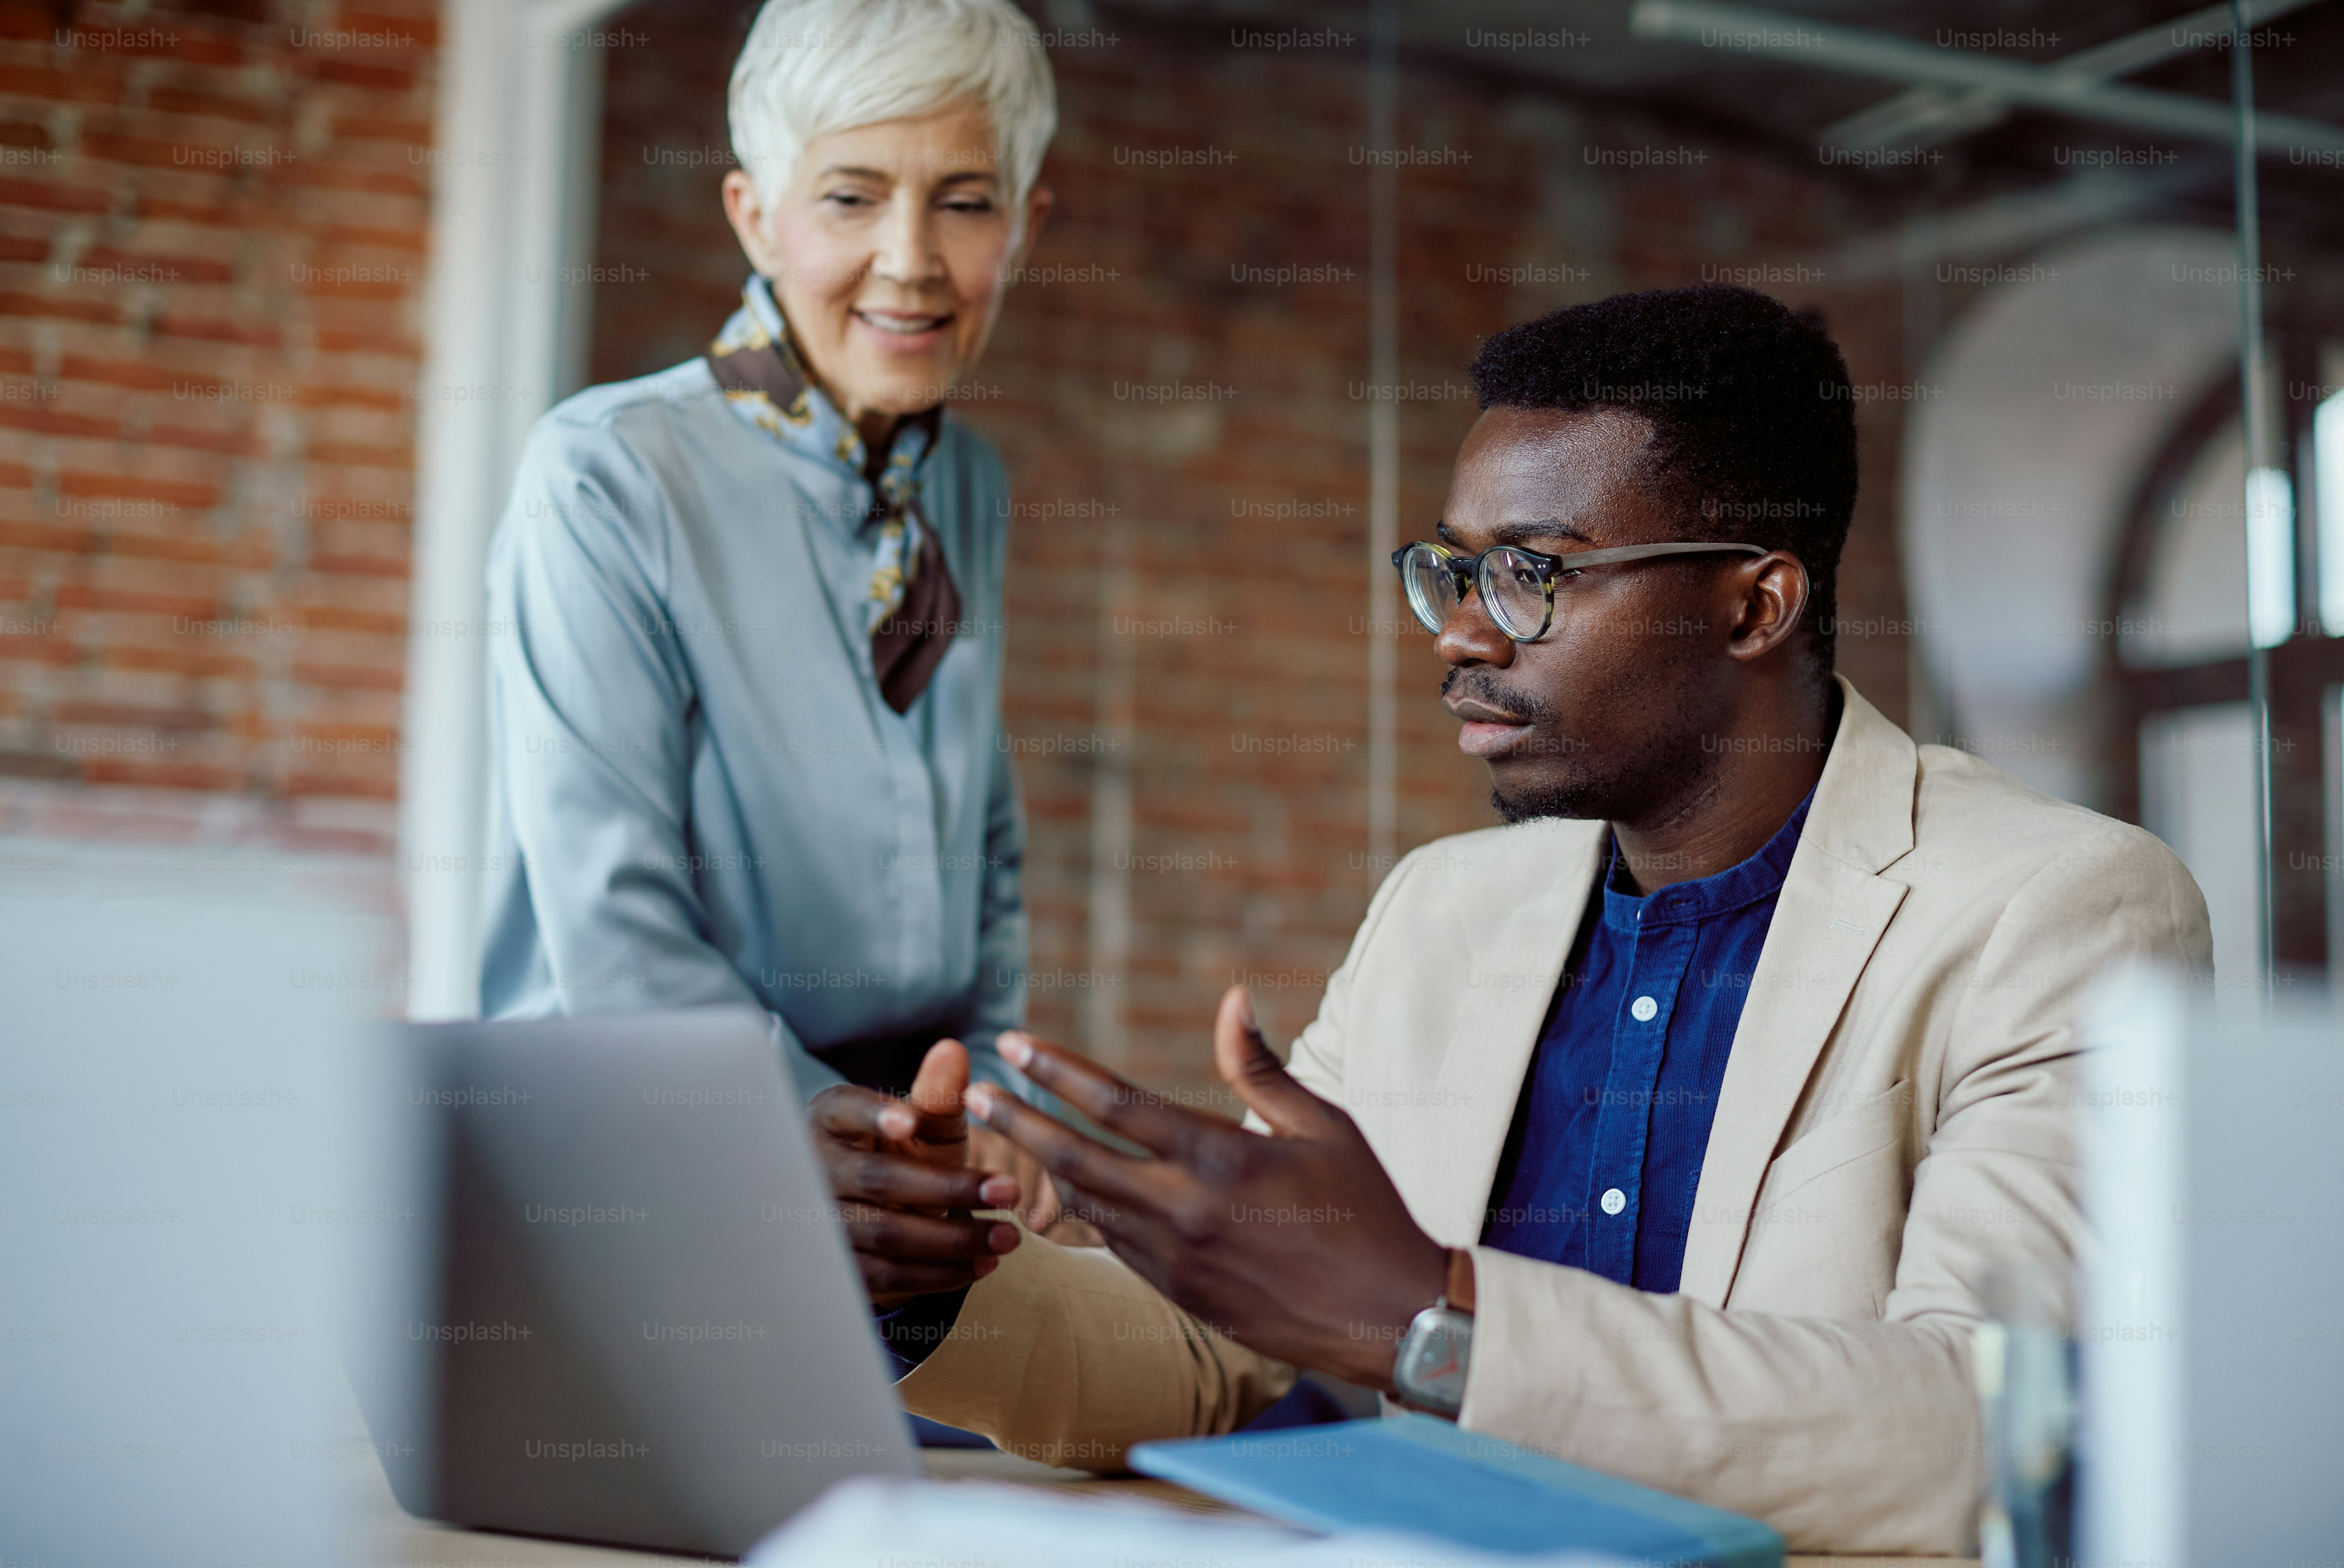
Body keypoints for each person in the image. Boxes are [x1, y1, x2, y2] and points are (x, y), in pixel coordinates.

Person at [818, 285, 2213, 1553]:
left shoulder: (2060, 908)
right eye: (1452, 568)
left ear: (1755, 605)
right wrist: (934, 1284)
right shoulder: (1446, 911)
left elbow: (1985, 1438)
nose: (1463, 634)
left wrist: (1432, 1323)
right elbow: (1207, 1356)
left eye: (1531, 575)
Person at [478, 0, 1078, 1271]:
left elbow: (987, 851)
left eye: (965, 204)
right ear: (756, 216)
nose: (911, 259)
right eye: (852, 199)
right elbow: (614, 926)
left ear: (1025, 228)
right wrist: (833, 1125)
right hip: (637, 1160)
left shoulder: (961, 483)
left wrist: (985, 1103)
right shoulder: (609, 473)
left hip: (888, 1175)